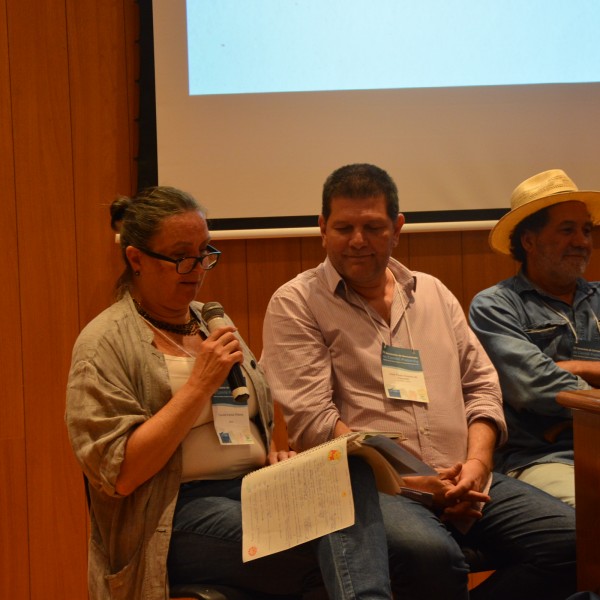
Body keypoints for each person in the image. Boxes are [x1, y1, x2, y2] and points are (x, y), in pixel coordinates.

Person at [260, 164, 577, 600]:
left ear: (397, 228)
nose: (357, 240)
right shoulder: (296, 303)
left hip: (468, 476)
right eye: (343, 227)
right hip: (379, 490)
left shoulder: (431, 291)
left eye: (372, 227)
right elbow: (315, 422)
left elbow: (482, 388)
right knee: (431, 555)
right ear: (322, 228)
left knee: (573, 541)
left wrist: (477, 466)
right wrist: (418, 482)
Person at [65, 186, 392, 600]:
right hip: (174, 514)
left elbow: (252, 413)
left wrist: (273, 455)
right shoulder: (104, 343)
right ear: (136, 259)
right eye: (182, 256)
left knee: (349, 475)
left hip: (250, 489)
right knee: (329, 547)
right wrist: (200, 385)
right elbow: (122, 474)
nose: (198, 267)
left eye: (205, 252)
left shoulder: (210, 322)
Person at [469, 168, 600, 507]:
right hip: (544, 459)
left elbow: (550, 380)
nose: (583, 241)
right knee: (591, 517)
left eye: (587, 230)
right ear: (529, 240)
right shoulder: (495, 305)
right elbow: (533, 386)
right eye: (567, 230)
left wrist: (577, 367)